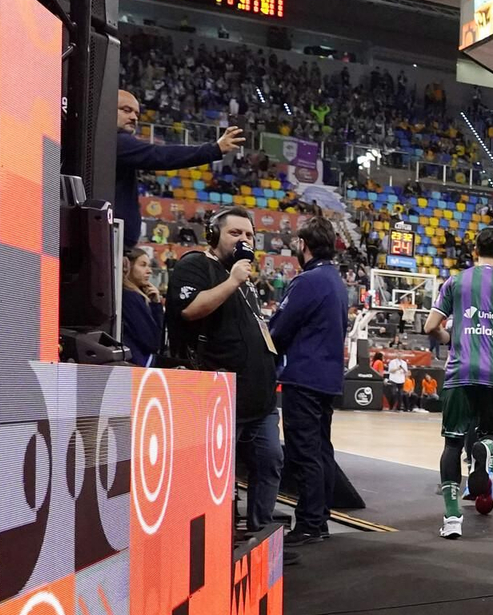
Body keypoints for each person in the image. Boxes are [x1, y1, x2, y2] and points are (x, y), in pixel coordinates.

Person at [166, 207, 283, 535]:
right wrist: (232, 280)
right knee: (218, 474)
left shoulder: (245, 280)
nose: (244, 240)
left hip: (259, 399)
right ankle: (219, 537)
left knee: (270, 462)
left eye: (249, 235)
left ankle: (261, 532)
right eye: (235, 233)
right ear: (214, 236)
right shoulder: (196, 265)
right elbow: (189, 310)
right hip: (220, 397)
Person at [424, 225, 493, 538]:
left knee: (452, 443)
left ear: (474, 253)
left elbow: (431, 326)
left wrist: (452, 337)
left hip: (461, 370)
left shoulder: (455, 282)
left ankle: (453, 518)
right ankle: (483, 447)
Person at [268, 217, 350, 549]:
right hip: (327, 378)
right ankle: (320, 518)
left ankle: (309, 523)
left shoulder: (308, 281)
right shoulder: (336, 280)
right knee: (322, 450)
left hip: (304, 376)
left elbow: (279, 328)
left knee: (305, 452)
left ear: (304, 245)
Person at [117, 90, 243, 248]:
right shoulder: (116, 141)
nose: (134, 118)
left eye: (137, 113)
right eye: (126, 110)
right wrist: (214, 149)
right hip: (113, 240)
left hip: (119, 242)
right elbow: (159, 155)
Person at [120, 247, 164, 366]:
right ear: (128, 266)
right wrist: (156, 307)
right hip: (139, 364)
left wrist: (156, 303)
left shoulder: (136, 295)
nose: (149, 271)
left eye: (149, 266)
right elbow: (153, 342)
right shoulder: (129, 296)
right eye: (143, 265)